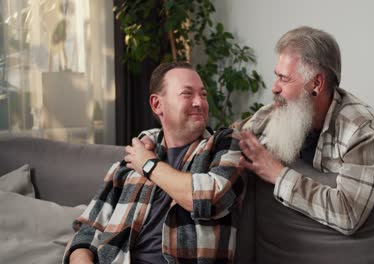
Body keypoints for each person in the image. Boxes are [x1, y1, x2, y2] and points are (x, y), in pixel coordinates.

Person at [64, 62, 246, 264]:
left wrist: (149, 165)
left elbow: (210, 199)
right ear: (157, 104)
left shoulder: (224, 144)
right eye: (187, 94)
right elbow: (88, 229)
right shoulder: (134, 157)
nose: (199, 102)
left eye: (203, 95)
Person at [236, 26, 374, 235]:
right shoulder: (269, 116)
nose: (274, 87)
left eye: (284, 78)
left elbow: (349, 214)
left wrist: (279, 175)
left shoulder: (362, 130)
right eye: (276, 76)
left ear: (316, 83)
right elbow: (230, 143)